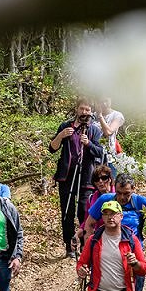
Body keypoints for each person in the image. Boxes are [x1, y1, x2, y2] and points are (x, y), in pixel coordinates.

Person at [47, 99, 105, 258]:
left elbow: (100, 152)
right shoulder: (66, 126)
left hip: (87, 176)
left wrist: (88, 144)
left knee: (84, 211)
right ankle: (69, 246)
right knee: (67, 212)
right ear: (77, 109)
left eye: (88, 110)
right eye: (82, 109)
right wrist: (61, 135)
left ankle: (85, 244)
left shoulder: (94, 130)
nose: (85, 112)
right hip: (66, 176)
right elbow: (52, 148)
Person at [97, 97, 126, 171]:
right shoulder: (92, 116)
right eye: (101, 101)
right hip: (94, 155)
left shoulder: (117, 115)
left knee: (110, 180)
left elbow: (108, 132)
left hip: (110, 156)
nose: (104, 104)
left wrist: (100, 116)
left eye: (106, 101)